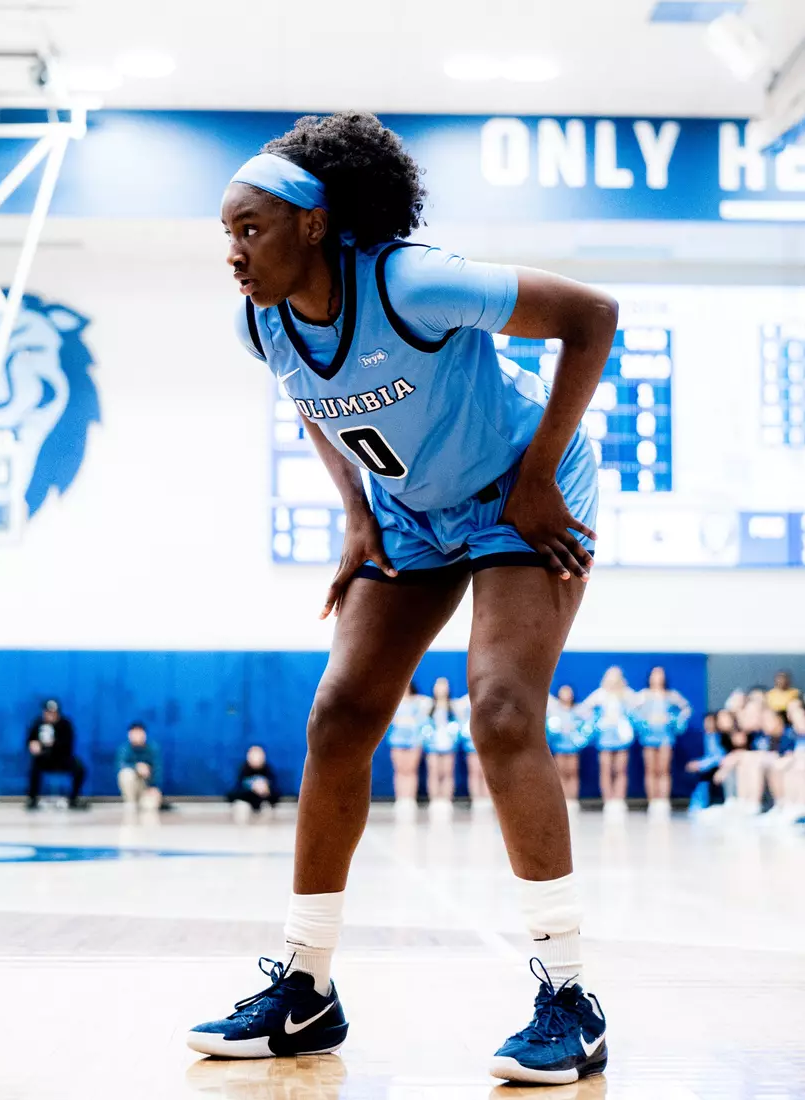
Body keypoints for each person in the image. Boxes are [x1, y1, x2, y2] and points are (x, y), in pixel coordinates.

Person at [188, 112, 616, 1086]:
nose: (232, 252)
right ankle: (305, 985)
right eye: (226, 232)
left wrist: (541, 469)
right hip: (410, 514)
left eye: (249, 228)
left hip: (518, 493)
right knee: (340, 713)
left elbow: (593, 315)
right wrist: (353, 516)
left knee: (503, 709)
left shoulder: (413, 279)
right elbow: (313, 405)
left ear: (314, 221)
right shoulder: (264, 319)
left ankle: (570, 996)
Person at [633, 666, 692, 817]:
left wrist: (673, 720)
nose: (657, 677)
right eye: (654, 674)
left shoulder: (671, 695)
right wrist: (644, 722)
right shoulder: (644, 695)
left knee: (663, 769)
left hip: (665, 736)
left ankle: (663, 801)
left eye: (660, 674)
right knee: (651, 769)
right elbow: (632, 712)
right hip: (648, 736)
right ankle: (652, 801)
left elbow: (686, 709)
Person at [579, 667, 637, 819]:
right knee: (606, 768)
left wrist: (627, 719)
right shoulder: (600, 693)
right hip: (605, 736)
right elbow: (584, 708)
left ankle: (619, 799)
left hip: (622, 736)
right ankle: (608, 800)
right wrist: (597, 720)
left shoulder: (626, 693)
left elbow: (638, 705)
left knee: (621, 769)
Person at [26, 700, 87, 811]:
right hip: (43, 759)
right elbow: (30, 740)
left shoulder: (65, 724)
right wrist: (33, 745)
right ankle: (32, 798)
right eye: (48, 712)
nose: (51, 715)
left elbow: (68, 743)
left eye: (54, 713)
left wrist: (53, 744)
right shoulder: (37, 723)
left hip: (62, 758)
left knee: (79, 768)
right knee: (34, 766)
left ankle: (73, 798)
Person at [386, 681, 430, 821]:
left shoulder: (418, 702)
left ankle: (410, 799)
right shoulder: (393, 703)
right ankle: (401, 798)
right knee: (400, 770)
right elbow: (393, 720)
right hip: (397, 740)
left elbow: (423, 714)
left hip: (414, 740)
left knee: (411, 770)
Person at [546, 685, 590, 814]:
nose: (566, 695)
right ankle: (563, 799)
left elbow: (585, 725)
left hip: (573, 747)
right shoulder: (554, 711)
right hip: (559, 746)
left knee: (572, 772)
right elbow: (550, 727)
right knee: (561, 773)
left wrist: (576, 733)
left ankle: (572, 799)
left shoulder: (577, 711)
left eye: (568, 692)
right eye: (563, 692)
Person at [422, 676, 460, 821]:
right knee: (434, 771)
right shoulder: (429, 705)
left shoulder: (453, 706)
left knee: (447, 772)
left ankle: (446, 799)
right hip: (432, 743)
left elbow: (458, 722)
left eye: (444, 685)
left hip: (448, 742)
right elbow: (424, 723)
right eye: (438, 685)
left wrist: (453, 736)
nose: (441, 688)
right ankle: (435, 799)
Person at [453, 690, 490, 812]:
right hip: (472, 742)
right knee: (474, 771)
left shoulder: (493, 697)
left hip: (488, 740)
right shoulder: (464, 701)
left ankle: (487, 798)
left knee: (487, 773)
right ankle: (476, 799)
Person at [116, 722, 164, 812]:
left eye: (140, 733)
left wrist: (154, 787)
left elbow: (158, 769)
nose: (137, 736)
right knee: (125, 774)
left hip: (146, 787)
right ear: (129, 735)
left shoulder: (153, 748)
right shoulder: (124, 749)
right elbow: (120, 766)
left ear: (144, 734)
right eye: (134, 733)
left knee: (150, 806)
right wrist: (136, 767)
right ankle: (130, 803)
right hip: (133, 785)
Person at [228, 745, 279, 821]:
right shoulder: (243, 770)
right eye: (253, 756)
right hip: (246, 804)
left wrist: (267, 791)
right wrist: (252, 788)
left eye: (259, 756)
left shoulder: (268, 771)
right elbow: (232, 794)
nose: (256, 758)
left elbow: (277, 795)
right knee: (241, 807)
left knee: (267, 809)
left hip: (262, 805)